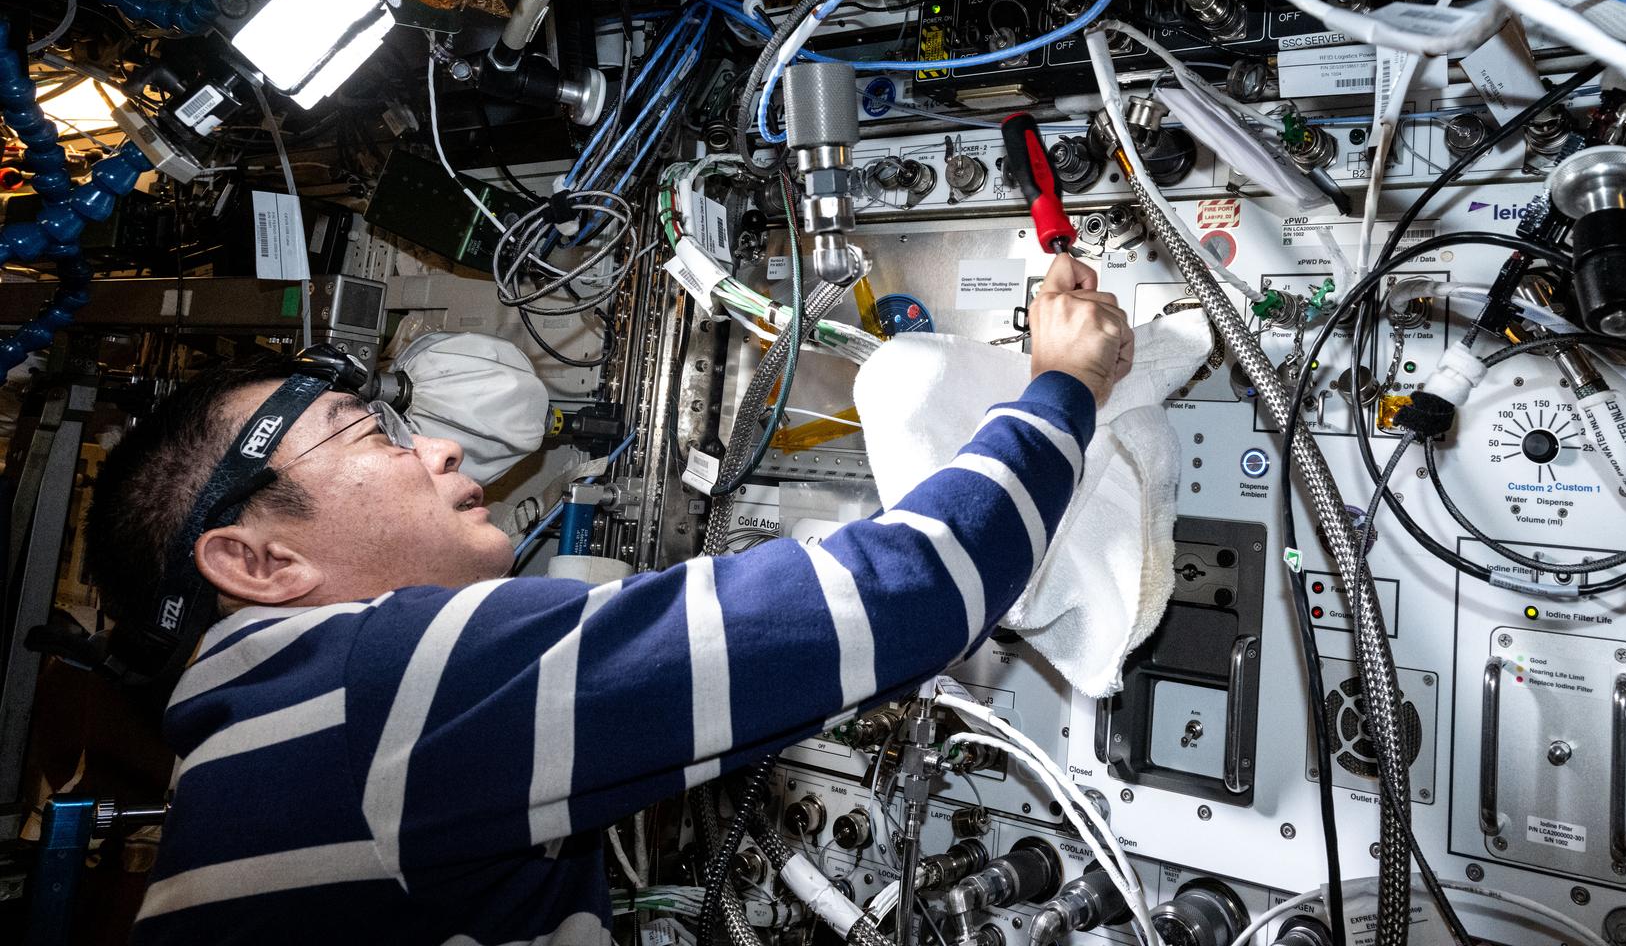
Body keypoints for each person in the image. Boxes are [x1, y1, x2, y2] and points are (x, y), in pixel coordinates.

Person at [81, 253, 1134, 944]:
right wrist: (1064, 384)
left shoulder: (234, 768)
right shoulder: (385, 686)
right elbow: (912, 587)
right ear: (256, 563)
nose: (440, 443)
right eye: (374, 434)